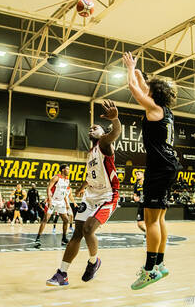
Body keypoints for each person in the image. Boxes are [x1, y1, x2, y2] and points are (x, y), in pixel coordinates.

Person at [46, 100, 121, 286]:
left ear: (102, 133)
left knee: (88, 229)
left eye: (95, 127)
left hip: (107, 197)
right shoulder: (91, 152)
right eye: (90, 128)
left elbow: (115, 133)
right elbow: (92, 176)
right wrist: (82, 188)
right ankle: (61, 274)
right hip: (91, 195)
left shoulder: (104, 143)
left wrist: (115, 120)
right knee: (77, 233)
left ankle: (94, 262)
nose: (91, 129)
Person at [123, 52, 180, 290]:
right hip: (168, 166)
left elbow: (134, 89)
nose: (146, 91)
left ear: (154, 94)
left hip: (159, 168)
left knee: (151, 220)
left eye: (149, 89)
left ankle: (149, 270)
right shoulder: (165, 111)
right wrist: (137, 70)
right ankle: (161, 264)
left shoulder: (153, 108)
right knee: (160, 218)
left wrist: (129, 69)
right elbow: (141, 84)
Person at [35, 164, 70, 247]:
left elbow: (64, 193)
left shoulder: (67, 180)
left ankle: (64, 238)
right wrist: (50, 200)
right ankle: (38, 238)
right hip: (53, 200)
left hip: (61, 202)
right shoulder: (56, 178)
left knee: (66, 220)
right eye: (67, 169)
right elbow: (48, 188)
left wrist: (67, 203)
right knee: (45, 219)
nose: (69, 171)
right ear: (62, 170)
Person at [133, 171, 146, 236]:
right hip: (140, 205)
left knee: (150, 222)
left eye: (138, 174)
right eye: (136, 174)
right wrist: (135, 197)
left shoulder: (147, 183)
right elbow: (135, 194)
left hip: (148, 205)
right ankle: (147, 232)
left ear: (143, 175)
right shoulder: (136, 184)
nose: (137, 175)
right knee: (140, 224)